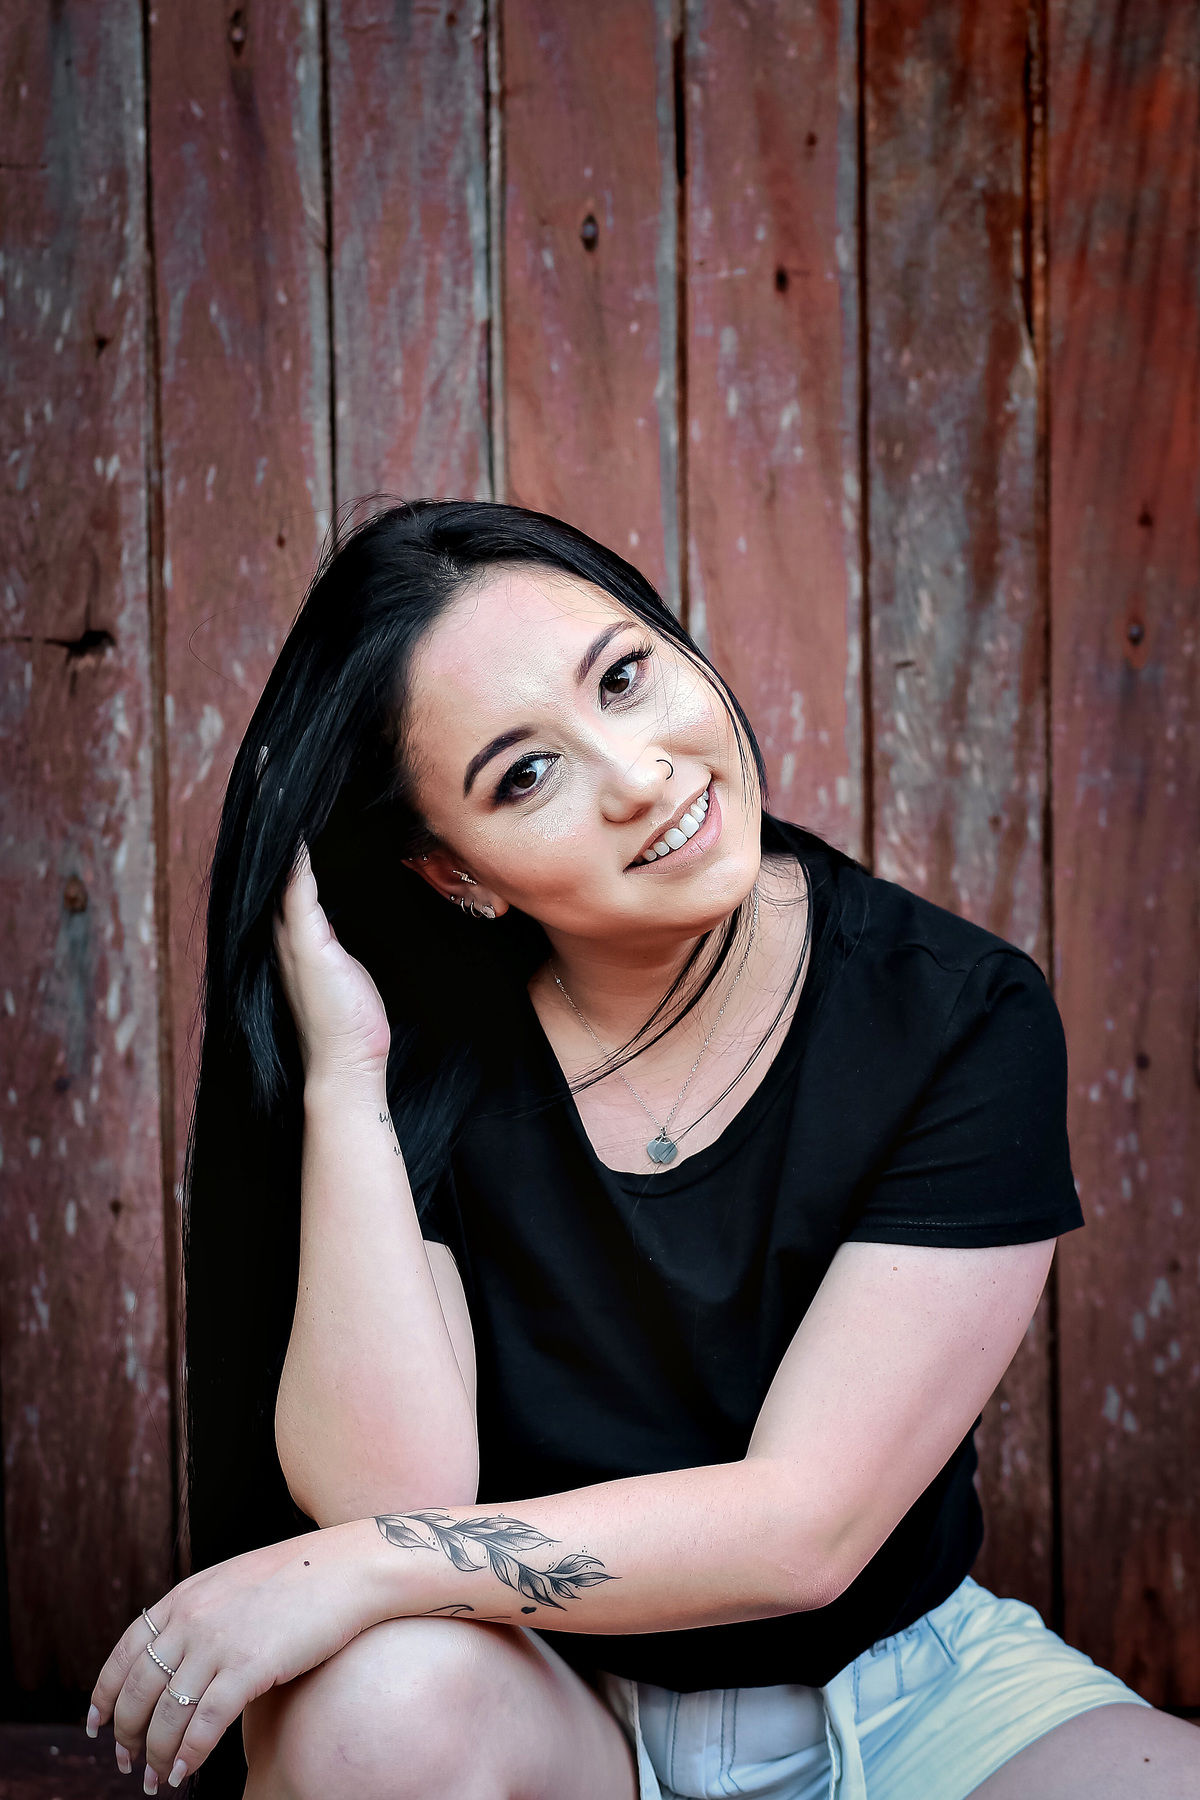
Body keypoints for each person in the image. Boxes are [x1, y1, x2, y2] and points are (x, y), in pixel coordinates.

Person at [89, 503, 1198, 1799]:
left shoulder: (954, 1012)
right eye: (525, 775)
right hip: (562, 1711)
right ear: (454, 874)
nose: (639, 775)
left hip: (916, 1703)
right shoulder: (426, 1059)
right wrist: (344, 1077)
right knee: (366, 1709)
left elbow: (804, 1532)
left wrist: (345, 1571)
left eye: (622, 678)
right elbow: (392, 1495)